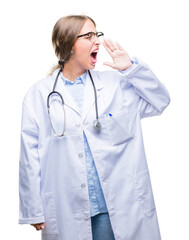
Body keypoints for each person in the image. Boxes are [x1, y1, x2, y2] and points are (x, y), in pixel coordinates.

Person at [18, 15, 170, 240]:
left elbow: (160, 101)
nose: (97, 41)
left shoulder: (117, 84)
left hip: (120, 206)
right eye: (88, 36)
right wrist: (33, 208)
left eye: (96, 34)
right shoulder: (39, 94)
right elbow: (29, 156)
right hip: (68, 208)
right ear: (68, 44)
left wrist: (131, 69)